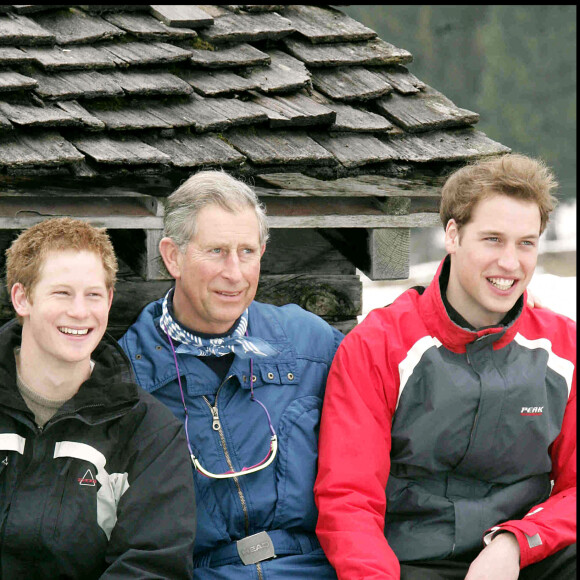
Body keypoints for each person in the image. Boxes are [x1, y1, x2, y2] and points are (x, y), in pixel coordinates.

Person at [314, 154, 576, 580]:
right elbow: (349, 500)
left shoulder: (564, 348)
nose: (510, 263)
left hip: (524, 557)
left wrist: (516, 542)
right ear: (452, 234)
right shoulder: (379, 345)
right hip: (410, 563)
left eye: (525, 243)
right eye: (492, 239)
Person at [120, 170, 343, 579]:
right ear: (173, 256)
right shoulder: (128, 377)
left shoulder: (311, 344)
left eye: (247, 252)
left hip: (314, 568)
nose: (235, 273)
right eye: (217, 251)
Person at [0, 217, 196, 579]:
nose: (80, 311)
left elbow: (153, 567)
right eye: (62, 293)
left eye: (93, 295)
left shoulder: (150, 433)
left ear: (109, 300)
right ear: (22, 298)